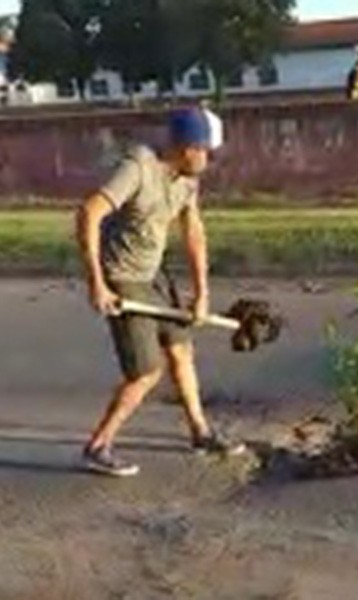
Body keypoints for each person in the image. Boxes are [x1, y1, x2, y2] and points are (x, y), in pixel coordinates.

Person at [76, 107, 245, 477]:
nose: (208, 158)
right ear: (187, 147)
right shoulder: (138, 167)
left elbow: (193, 231)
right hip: (121, 276)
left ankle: (200, 432)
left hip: (155, 276)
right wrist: (97, 284)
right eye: (205, 150)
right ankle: (98, 445)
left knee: (181, 351)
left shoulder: (187, 179)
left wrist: (202, 294)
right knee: (145, 373)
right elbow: (89, 213)